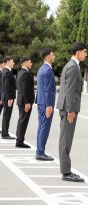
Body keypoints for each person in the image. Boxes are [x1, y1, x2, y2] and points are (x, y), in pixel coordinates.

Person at [57, 42, 87, 182]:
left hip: (67, 107)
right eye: (84, 52)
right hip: (68, 108)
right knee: (66, 140)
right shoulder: (73, 67)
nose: (85, 54)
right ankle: (66, 172)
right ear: (77, 53)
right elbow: (69, 90)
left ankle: (66, 170)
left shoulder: (71, 65)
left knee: (65, 139)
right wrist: (70, 110)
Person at [36, 48, 56, 161]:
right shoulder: (48, 70)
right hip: (46, 103)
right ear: (47, 57)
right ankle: (40, 152)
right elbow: (48, 89)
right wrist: (49, 105)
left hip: (41, 102)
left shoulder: (41, 69)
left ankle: (39, 150)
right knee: (44, 127)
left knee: (41, 126)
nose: (54, 57)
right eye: (52, 55)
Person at [15, 56, 34, 148]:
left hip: (21, 100)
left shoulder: (20, 72)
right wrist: (27, 102)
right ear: (25, 62)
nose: (31, 63)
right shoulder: (26, 73)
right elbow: (25, 89)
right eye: (30, 62)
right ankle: (19, 141)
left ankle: (19, 139)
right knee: (23, 121)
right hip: (25, 102)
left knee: (21, 120)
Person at [1, 56, 16, 139]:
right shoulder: (7, 72)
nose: (13, 63)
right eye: (12, 61)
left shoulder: (6, 71)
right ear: (7, 62)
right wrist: (10, 98)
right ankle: (5, 133)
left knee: (6, 115)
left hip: (6, 97)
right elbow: (7, 87)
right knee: (7, 116)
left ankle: (5, 132)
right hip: (8, 98)